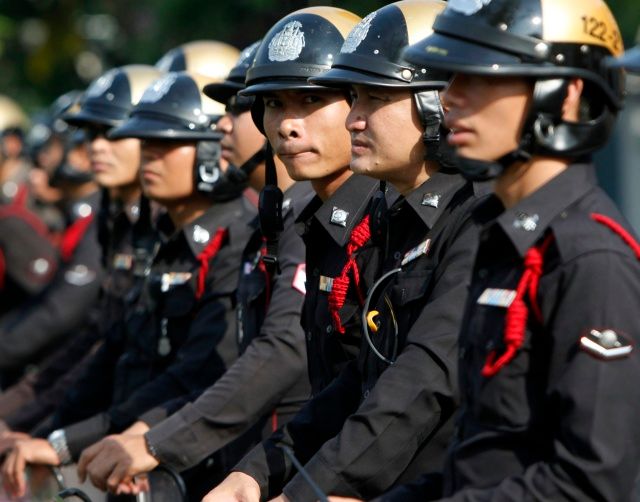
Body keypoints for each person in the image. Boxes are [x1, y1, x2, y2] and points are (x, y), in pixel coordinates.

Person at [209, 2, 488, 501]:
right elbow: (358, 382)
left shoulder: (477, 220)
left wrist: (307, 490)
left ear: (435, 104)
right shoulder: (393, 218)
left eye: (374, 97)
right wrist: (260, 472)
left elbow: (421, 381)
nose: (354, 120)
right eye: (352, 97)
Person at [363, 0, 640, 499]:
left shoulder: (588, 259)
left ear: (567, 94)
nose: (449, 98)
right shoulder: (503, 236)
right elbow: (481, 459)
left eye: (482, 77)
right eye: (450, 77)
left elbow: (591, 482)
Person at [73, 41, 316, 497]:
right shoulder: (272, 220)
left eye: (163, 143)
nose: (224, 124)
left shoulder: (282, 223)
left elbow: (280, 356)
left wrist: (155, 442)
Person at [1, 70, 255, 501]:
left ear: (212, 147)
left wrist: (65, 439)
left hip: (194, 462)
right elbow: (111, 350)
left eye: (164, 140)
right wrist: (42, 430)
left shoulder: (235, 237)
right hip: (134, 445)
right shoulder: (163, 233)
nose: (99, 146)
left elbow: (205, 375)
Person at [0, 65, 164, 436]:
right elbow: (98, 342)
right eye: (92, 134)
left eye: (113, 132)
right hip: (113, 427)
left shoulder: (167, 228)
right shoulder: (118, 219)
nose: (95, 147)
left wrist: (52, 436)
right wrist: (29, 422)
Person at [0, 90, 104, 388]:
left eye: (56, 146)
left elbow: (60, 312)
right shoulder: (84, 216)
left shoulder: (99, 219)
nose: (44, 157)